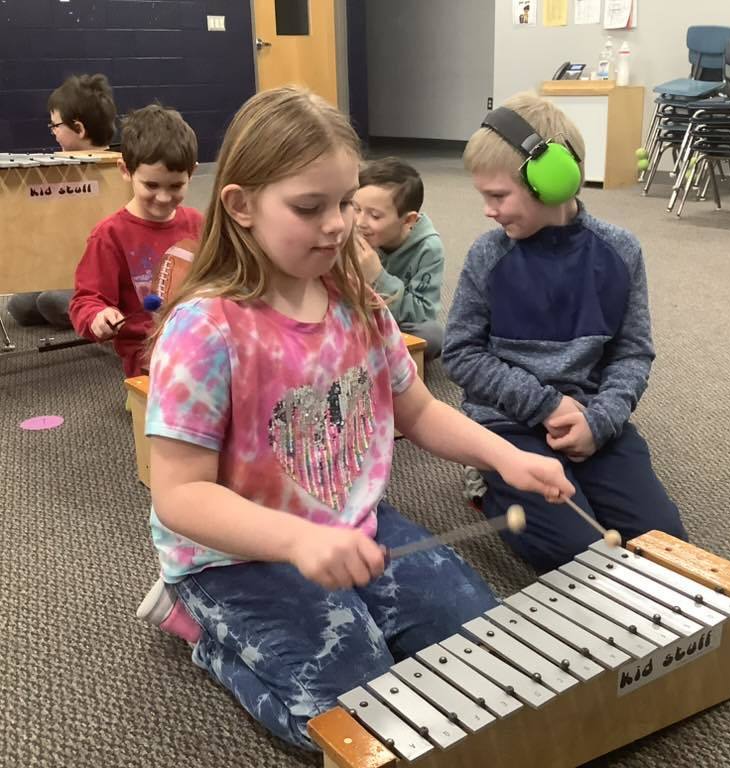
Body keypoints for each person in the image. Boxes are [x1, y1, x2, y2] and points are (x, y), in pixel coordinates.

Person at [138, 86, 575, 751]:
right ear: (242, 205)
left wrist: (506, 457)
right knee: (354, 722)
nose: (339, 224)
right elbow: (179, 494)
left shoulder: (360, 304)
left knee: (486, 657)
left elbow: (420, 410)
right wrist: (295, 542)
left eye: (345, 202)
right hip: (233, 556)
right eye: (310, 207)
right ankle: (210, 643)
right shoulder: (206, 330)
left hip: (353, 521)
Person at [443, 92, 687, 574]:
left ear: (551, 183)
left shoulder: (620, 251)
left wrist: (601, 421)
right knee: (580, 558)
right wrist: (546, 405)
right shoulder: (488, 256)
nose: (488, 211)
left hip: (594, 417)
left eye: (497, 196)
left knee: (666, 545)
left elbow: (633, 352)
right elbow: (461, 354)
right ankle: (488, 480)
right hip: (509, 424)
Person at [68, 104, 203, 376]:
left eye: (175, 186)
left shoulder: (198, 224)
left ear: (193, 173)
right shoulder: (110, 235)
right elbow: (87, 299)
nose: (164, 198)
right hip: (146, 358)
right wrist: (98, 316)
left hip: (198, 343)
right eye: (151, 185)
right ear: (125, 170)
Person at [8, 73, 117, 329]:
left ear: (79, 128)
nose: (53, 133)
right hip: (67, 265)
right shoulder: (56, 171)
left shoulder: (118, 171)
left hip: (100, 274)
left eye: (55, 126)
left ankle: (102, 315)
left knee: (51, 301)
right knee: (19, 306)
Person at [353, 157, 445, 359]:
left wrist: (378, 277)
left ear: (408, 220)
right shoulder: (350, 231)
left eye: (375, 216)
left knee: (432, 336)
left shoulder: (428, 248)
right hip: (358, 315)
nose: (360, 222)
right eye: (356, 209)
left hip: (397, 322)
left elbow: (423, 313)